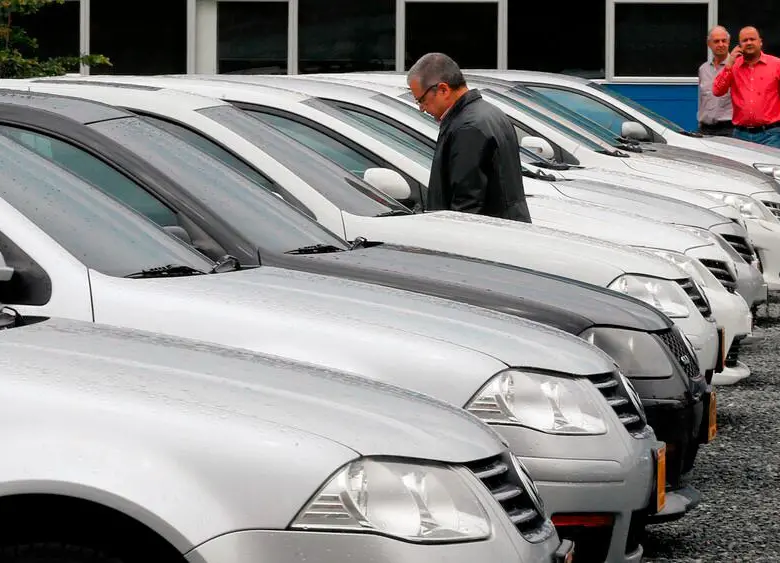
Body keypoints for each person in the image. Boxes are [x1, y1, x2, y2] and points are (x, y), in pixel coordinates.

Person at [406, 52, 531, 222]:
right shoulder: (489, 113)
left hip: (486, 239)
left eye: (421, 100)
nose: (421, 108)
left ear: (443, 89)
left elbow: (466, 204)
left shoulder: (467, 128)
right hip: (505, 229)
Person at [712, 26, 780, 147]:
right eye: (744, 40)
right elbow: (717, 91)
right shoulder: (733, 66)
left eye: (752, 39)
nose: (748, 42)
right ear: (739, 45)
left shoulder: (776, 65)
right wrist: (729, 64)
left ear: (760, 42)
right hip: (740, 135)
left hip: (771, 135)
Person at [698, 26, 734, 136]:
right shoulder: (703, 69)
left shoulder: (737, 67)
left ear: (729, 42)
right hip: (705, 130)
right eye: (716, 41)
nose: (721, 44)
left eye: (724, 41)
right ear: (709, 44)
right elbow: (702, 100)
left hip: (729, 130)